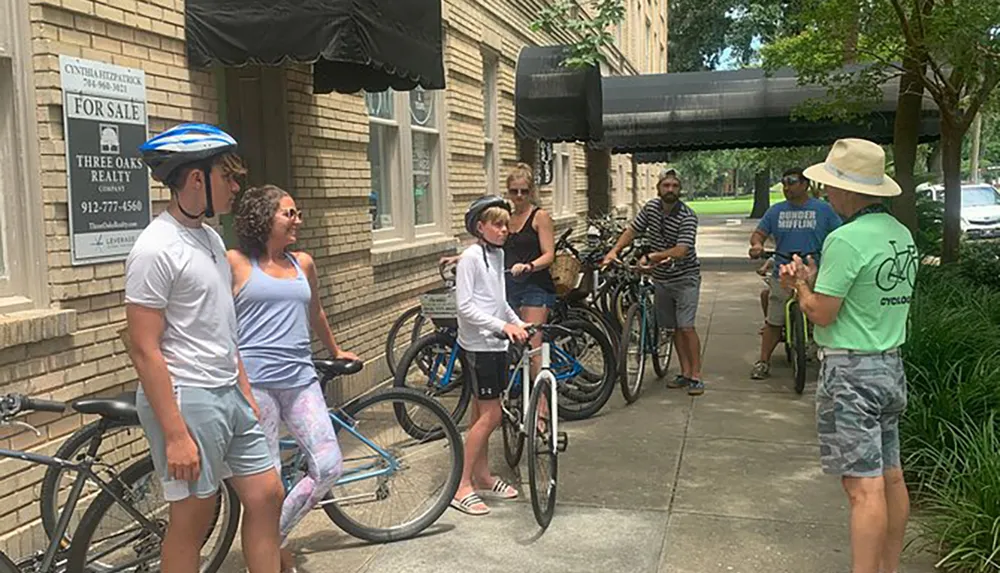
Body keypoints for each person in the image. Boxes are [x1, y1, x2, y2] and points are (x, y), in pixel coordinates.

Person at [125, 123, 283, 573]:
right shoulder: (155, 248)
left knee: (267, 495)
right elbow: (143, 348)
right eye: (227, 177)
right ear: (197, 178)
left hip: (228, 391)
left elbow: (220, 325)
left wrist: (245, 390)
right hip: (187, 397)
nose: (236, 188)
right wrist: (175, 434)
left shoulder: (211, 238)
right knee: (194, 518)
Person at [779, 138, 914, 573]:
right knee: (891, 475)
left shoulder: (845, 239)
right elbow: (865, 294)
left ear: (849, 190)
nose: (827, 194)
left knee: (862, 489)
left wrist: (799, 286)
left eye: (831, 185)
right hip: (889, 364)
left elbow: (821, 311)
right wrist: (816, 280)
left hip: (851, 372)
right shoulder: (900, 234)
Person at [229, 185, 361, 572]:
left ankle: (269, 541)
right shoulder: (234, 262)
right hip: (256, 386)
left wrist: (335, 351)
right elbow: (220, 324)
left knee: (328, 465)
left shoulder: (302, 263)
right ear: (263, 217)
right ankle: (269, 557)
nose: (297, 220)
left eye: (297, 213)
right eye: (289, 213)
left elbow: (315, 312)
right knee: (267, 489)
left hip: (301, 380)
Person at [451, 196, 529, 516]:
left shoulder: (496, 256)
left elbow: (498, 301)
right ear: (480, 227)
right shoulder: (471, 257)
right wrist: (502, 326)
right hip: (480, 345)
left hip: (495, 344)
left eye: (506, 225)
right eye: (497, 224)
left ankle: (482, 475)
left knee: (479, 414)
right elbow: (465, 307)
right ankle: (461, 486)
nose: (504, 230)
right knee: (492, 416)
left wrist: (517, 322)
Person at [601, 168, 705, 396]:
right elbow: (632, 230)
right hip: (661, 278)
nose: (670, 190)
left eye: (675, 186)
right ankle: (685, 373)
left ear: (680, 190)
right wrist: (614, 251)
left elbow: (681, 250)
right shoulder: (650, 208)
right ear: (659, 188)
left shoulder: (687, 216)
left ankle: (696, 375)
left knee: (686, 326)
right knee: (673, 328)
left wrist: (652, 256)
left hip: (685, 278)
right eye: (666, 186)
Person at [748, 168, 841, 379]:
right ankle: (763, 361)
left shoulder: (823, 210)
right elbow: (759, 234)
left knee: (823, 314)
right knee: (774, 319)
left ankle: (826, 355)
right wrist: (756, 245)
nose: (786, 187)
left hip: (814, 271)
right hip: (783, 270)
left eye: (791, 182)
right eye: (784, 183)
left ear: (805, 184)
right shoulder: (775, 211)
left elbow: (839, 234)